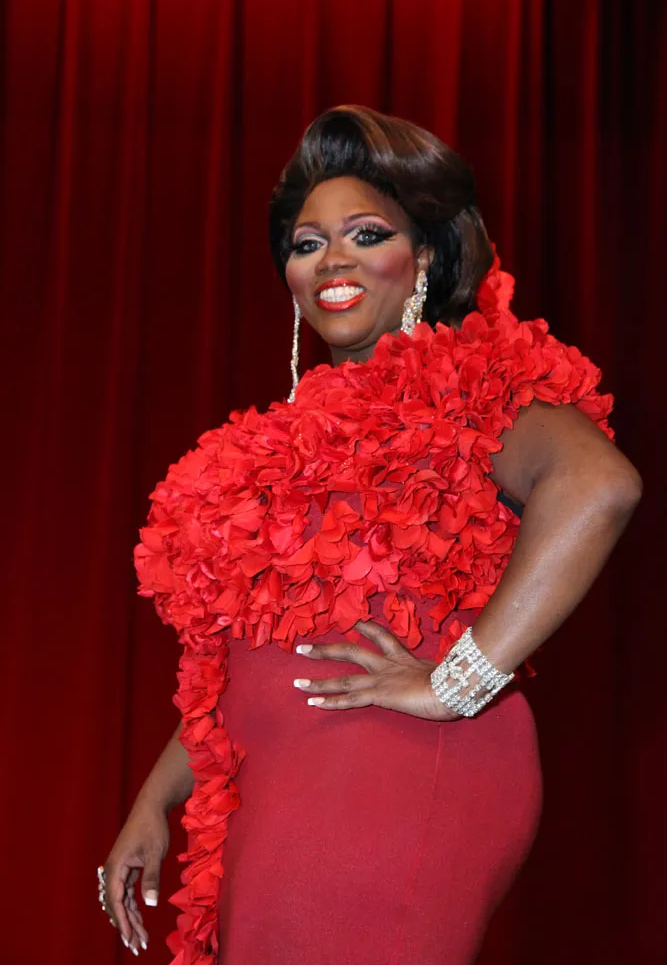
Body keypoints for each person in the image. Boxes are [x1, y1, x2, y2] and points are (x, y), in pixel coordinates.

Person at [99, 105, 642, 965]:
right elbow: (260, 659)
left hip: (396, 768)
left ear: (422, 255)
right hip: (277, 788)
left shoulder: (469, 381)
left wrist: (457, 683)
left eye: (365, 234)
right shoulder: (283, 438)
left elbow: (597, 486)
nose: (331, 260)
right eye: (307, 244)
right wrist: (156, 797)